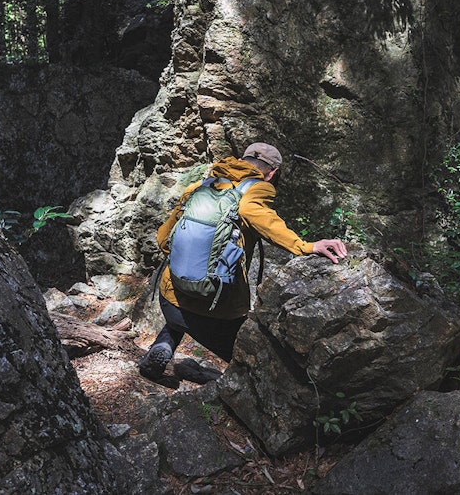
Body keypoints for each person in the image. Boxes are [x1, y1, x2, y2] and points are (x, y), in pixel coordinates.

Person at [139, 142, 348, 380]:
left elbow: (164, 239)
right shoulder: (259, 189)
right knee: (251, 361)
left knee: (188, 295)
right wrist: (304, 246)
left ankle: (163, 346)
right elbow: (255, 213)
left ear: (242, 159)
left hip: (171, 301)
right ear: (272, 173)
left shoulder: (202, 186)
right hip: (215, 313)